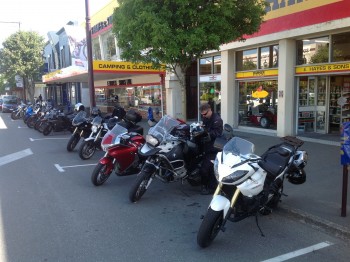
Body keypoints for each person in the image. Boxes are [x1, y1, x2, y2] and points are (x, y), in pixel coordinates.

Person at [199, 103, 223, 195]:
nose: (203, 116)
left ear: (210, 110)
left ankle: (210, 188)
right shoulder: (206, 118)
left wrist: (207, 133)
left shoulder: (217, 120)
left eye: (205, 114)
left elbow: (217, 133)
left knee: (205, 168)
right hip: (206, 145)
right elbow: (204, 127)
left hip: (214, 147)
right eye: (202, 115)